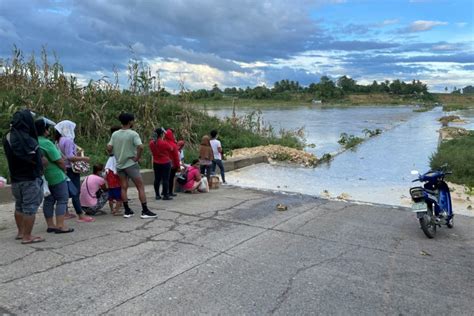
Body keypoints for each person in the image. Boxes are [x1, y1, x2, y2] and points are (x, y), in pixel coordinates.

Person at [3, 110, 46, 244]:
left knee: (19, 206)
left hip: (15, 178)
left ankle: (21, 233)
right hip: (30, 178)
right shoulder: (30, 140)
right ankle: (28, 236)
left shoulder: (7, 137)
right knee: (30, 208)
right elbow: (40, 160)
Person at [107, 113, 156, 219]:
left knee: (123, 187)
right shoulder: (133, 134)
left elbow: (109, 147)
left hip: (120, 165)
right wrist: (137, 158)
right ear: (130, 122)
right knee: (140, 186)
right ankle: (145, 210)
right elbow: (141, 146)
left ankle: (127, 210)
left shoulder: (115, 134)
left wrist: (116, 153)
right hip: (130, 164)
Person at [36, 118, 74, 234]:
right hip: (56, 175)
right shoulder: (46, 143)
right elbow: (59, 160)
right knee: (62, 199)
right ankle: (60, 225)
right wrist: (64, 171)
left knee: (49, 200)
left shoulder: (34, 141)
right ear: (45, 130)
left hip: (44, 176)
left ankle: (50, 225)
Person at [54, 120, 94, 222]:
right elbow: (70, 157)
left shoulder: (58, 141)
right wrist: (84, 159)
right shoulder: (68, 141)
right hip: (71, 169)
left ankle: (65, 212)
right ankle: (80, 214)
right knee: (75, 191)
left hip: (62, 168)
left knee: (65, 191)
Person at [149, 128, 173, 200]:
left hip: (156, 162)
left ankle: (157, 194)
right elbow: (171, 149)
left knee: (157, 179)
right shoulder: (164, 143)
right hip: (165, 162)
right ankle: (165, 195)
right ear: (161, 134)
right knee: (165, 179)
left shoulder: (151, 143)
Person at [105, 126, 123, 215]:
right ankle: (116, 210)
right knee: (119, 196)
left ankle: (113, 209)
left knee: (111, 197)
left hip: (110, 181)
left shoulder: (110, 142)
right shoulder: (116, 141)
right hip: (116, 165)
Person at [163, 129, 180, 197]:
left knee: (164, 178)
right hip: (172, 164)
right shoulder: (173, 144)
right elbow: (176, 157)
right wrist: (178, 166)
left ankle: (163, 192)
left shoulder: (163, 143)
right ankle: (170, 192)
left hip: (163, 163)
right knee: (170, 178)